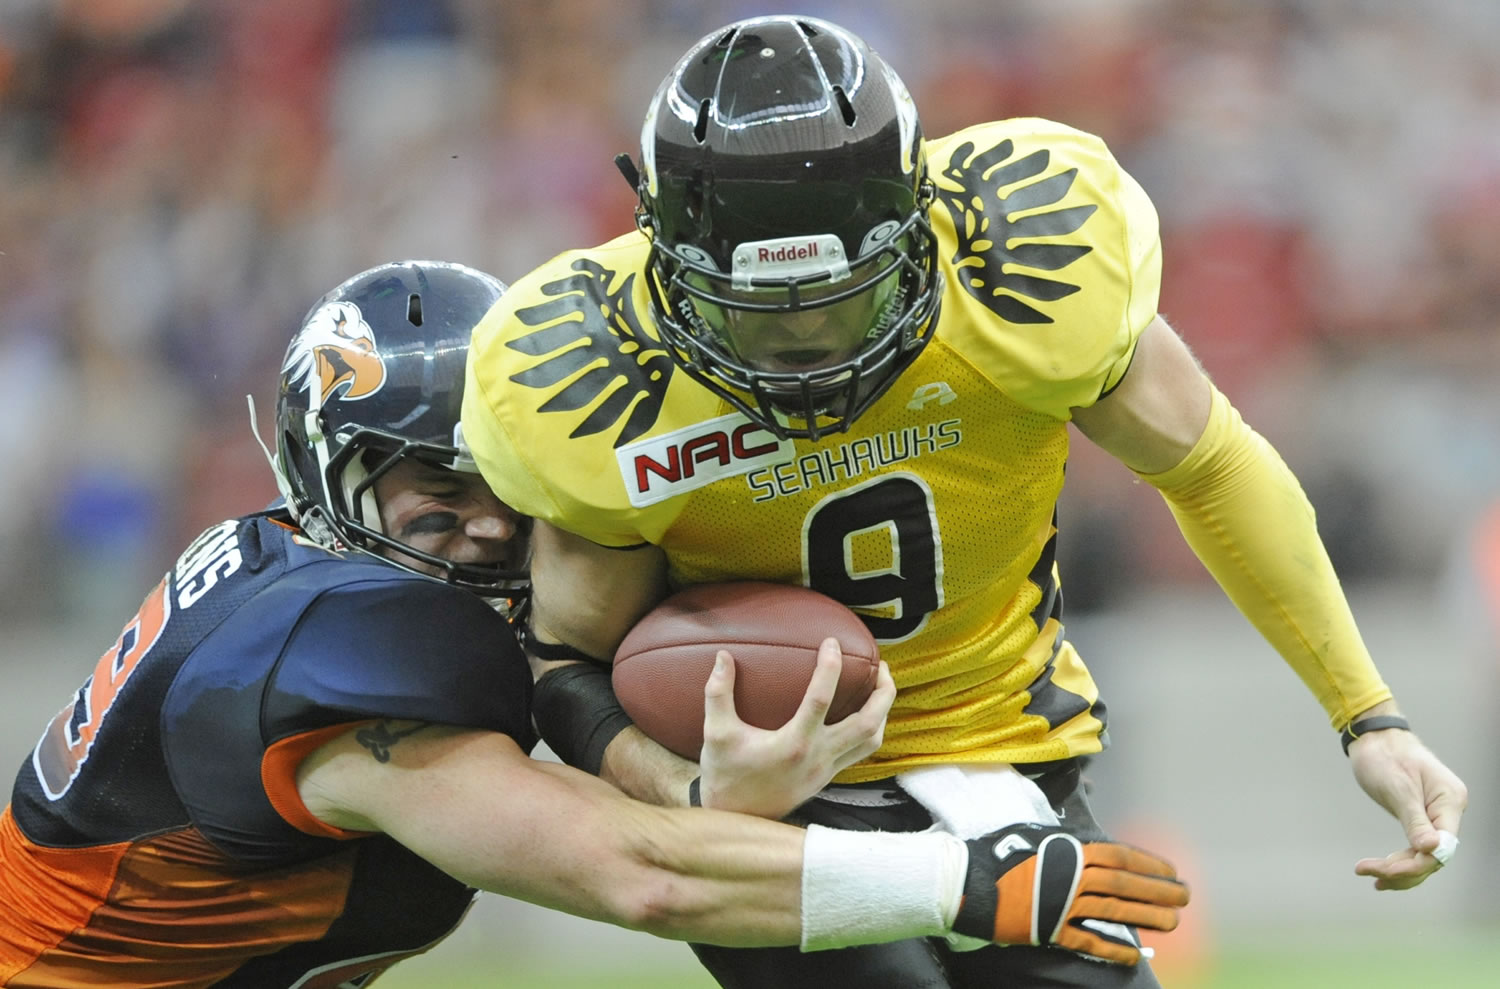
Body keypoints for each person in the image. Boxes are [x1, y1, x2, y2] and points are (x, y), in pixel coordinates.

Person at [458, 15, 1469, 989]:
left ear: (919, 225)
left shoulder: (1020, 263)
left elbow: (1206, 463)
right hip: (771, 815)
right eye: (760, 312)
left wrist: (1367, 714)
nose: (809, 347)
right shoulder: (596, 378)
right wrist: (696, 791)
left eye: (842, 298)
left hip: (1005, 754)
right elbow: (565, 656)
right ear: (665, 261)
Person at [0, 260, 1188, 987]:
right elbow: (644, 877)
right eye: (436, 492)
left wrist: (700, 786)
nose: (486, 529)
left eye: (506, 490)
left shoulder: (302, 574)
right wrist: (971, 883)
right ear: (336, 477)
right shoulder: (342, 651)